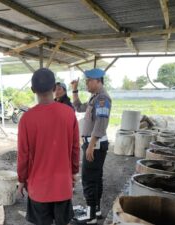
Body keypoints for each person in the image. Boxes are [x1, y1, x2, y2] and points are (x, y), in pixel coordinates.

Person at [17, 68, 80, 225]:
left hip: (39, 188)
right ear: (54, 88)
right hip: (62, 186)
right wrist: (73, 172)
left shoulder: (26, 119)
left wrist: (22, 179)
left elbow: (23, 154)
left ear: (33, 90)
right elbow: (75, 149)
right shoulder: (69, 114)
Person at [71, 68, 111, 224]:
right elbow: (79, 107)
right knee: (95, 179)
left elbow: (101, 123)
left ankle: (91, 215)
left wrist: (91, 145)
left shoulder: (102, 99)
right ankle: (96, 210)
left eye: (89, 80)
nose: (86, 83)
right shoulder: (95, 97)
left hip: (95, 144)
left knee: (88, 179)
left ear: (98, 81)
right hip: (93, 143)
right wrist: (75, 90)